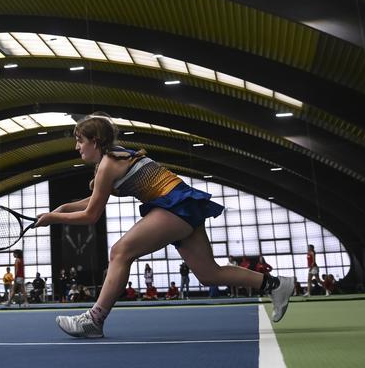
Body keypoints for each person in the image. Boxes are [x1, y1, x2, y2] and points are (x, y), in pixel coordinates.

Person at [37, 113, 294, 338]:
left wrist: (54, 219)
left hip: (172, 206)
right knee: (208, 274)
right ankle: (275, 284)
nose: (76, 147)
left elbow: (92, 215)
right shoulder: (115, 157)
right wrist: (60, 209)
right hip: (183, 203)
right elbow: (93, 201)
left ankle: (94, 319)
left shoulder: (107, 165)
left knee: (120, 252)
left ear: (94, 141)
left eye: (80, 141)